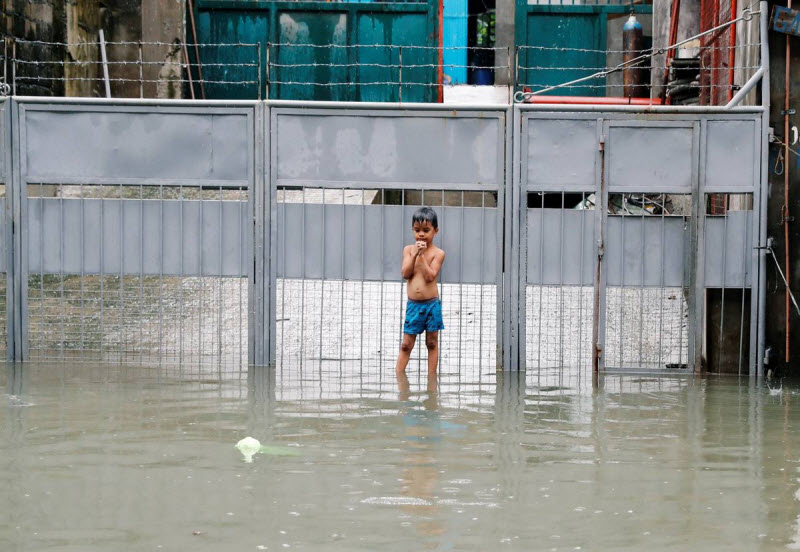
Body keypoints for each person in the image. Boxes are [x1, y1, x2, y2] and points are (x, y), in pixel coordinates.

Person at [395, 206, 446, 379]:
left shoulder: (438, 253)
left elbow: (430, 276)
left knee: (432, 342)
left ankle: (431, 381)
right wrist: (415, 254)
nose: (421, 234)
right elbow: (405, 273)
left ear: (435, 231)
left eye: (426, 230)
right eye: (417, 231)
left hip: (431, 305)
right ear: (412, 230)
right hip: (413, 306)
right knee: (406, 344)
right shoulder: (408, 250)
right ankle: (399, 378)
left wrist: (422, 256)